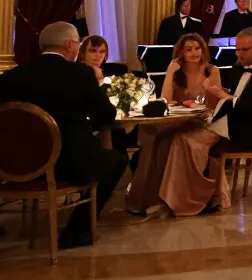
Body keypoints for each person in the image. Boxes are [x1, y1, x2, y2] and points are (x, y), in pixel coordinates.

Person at [0, 23, 125, 249]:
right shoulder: (80, 74)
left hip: (16, 164)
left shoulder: (12, 76)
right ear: (70, 45)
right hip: (68, 164)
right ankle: (78, 230)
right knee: (117, 159)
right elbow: (105, 114)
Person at [160, 28, 252, 216]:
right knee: (177, 138)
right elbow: (229, 99)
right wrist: (222, 102)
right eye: (237, 49)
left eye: (244, 50)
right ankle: (190, 196)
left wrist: (230, 100)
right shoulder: (237, 69)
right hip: (230, 123)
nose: (238, 54)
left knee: (186, 141)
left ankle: (194, 199)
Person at [127, 33, 222, 213]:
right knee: (152, 134)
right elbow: (166, 100)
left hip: (205, 122)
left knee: (175, 140)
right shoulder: (177, 72)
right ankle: (149, 197)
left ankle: (175, 199)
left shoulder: (211, 71)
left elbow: (214, 105)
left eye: (197, 48)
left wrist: (207, 91)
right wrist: (170, 72)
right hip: (181, 120)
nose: (194, 53)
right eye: (188, 49)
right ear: (181, 53)